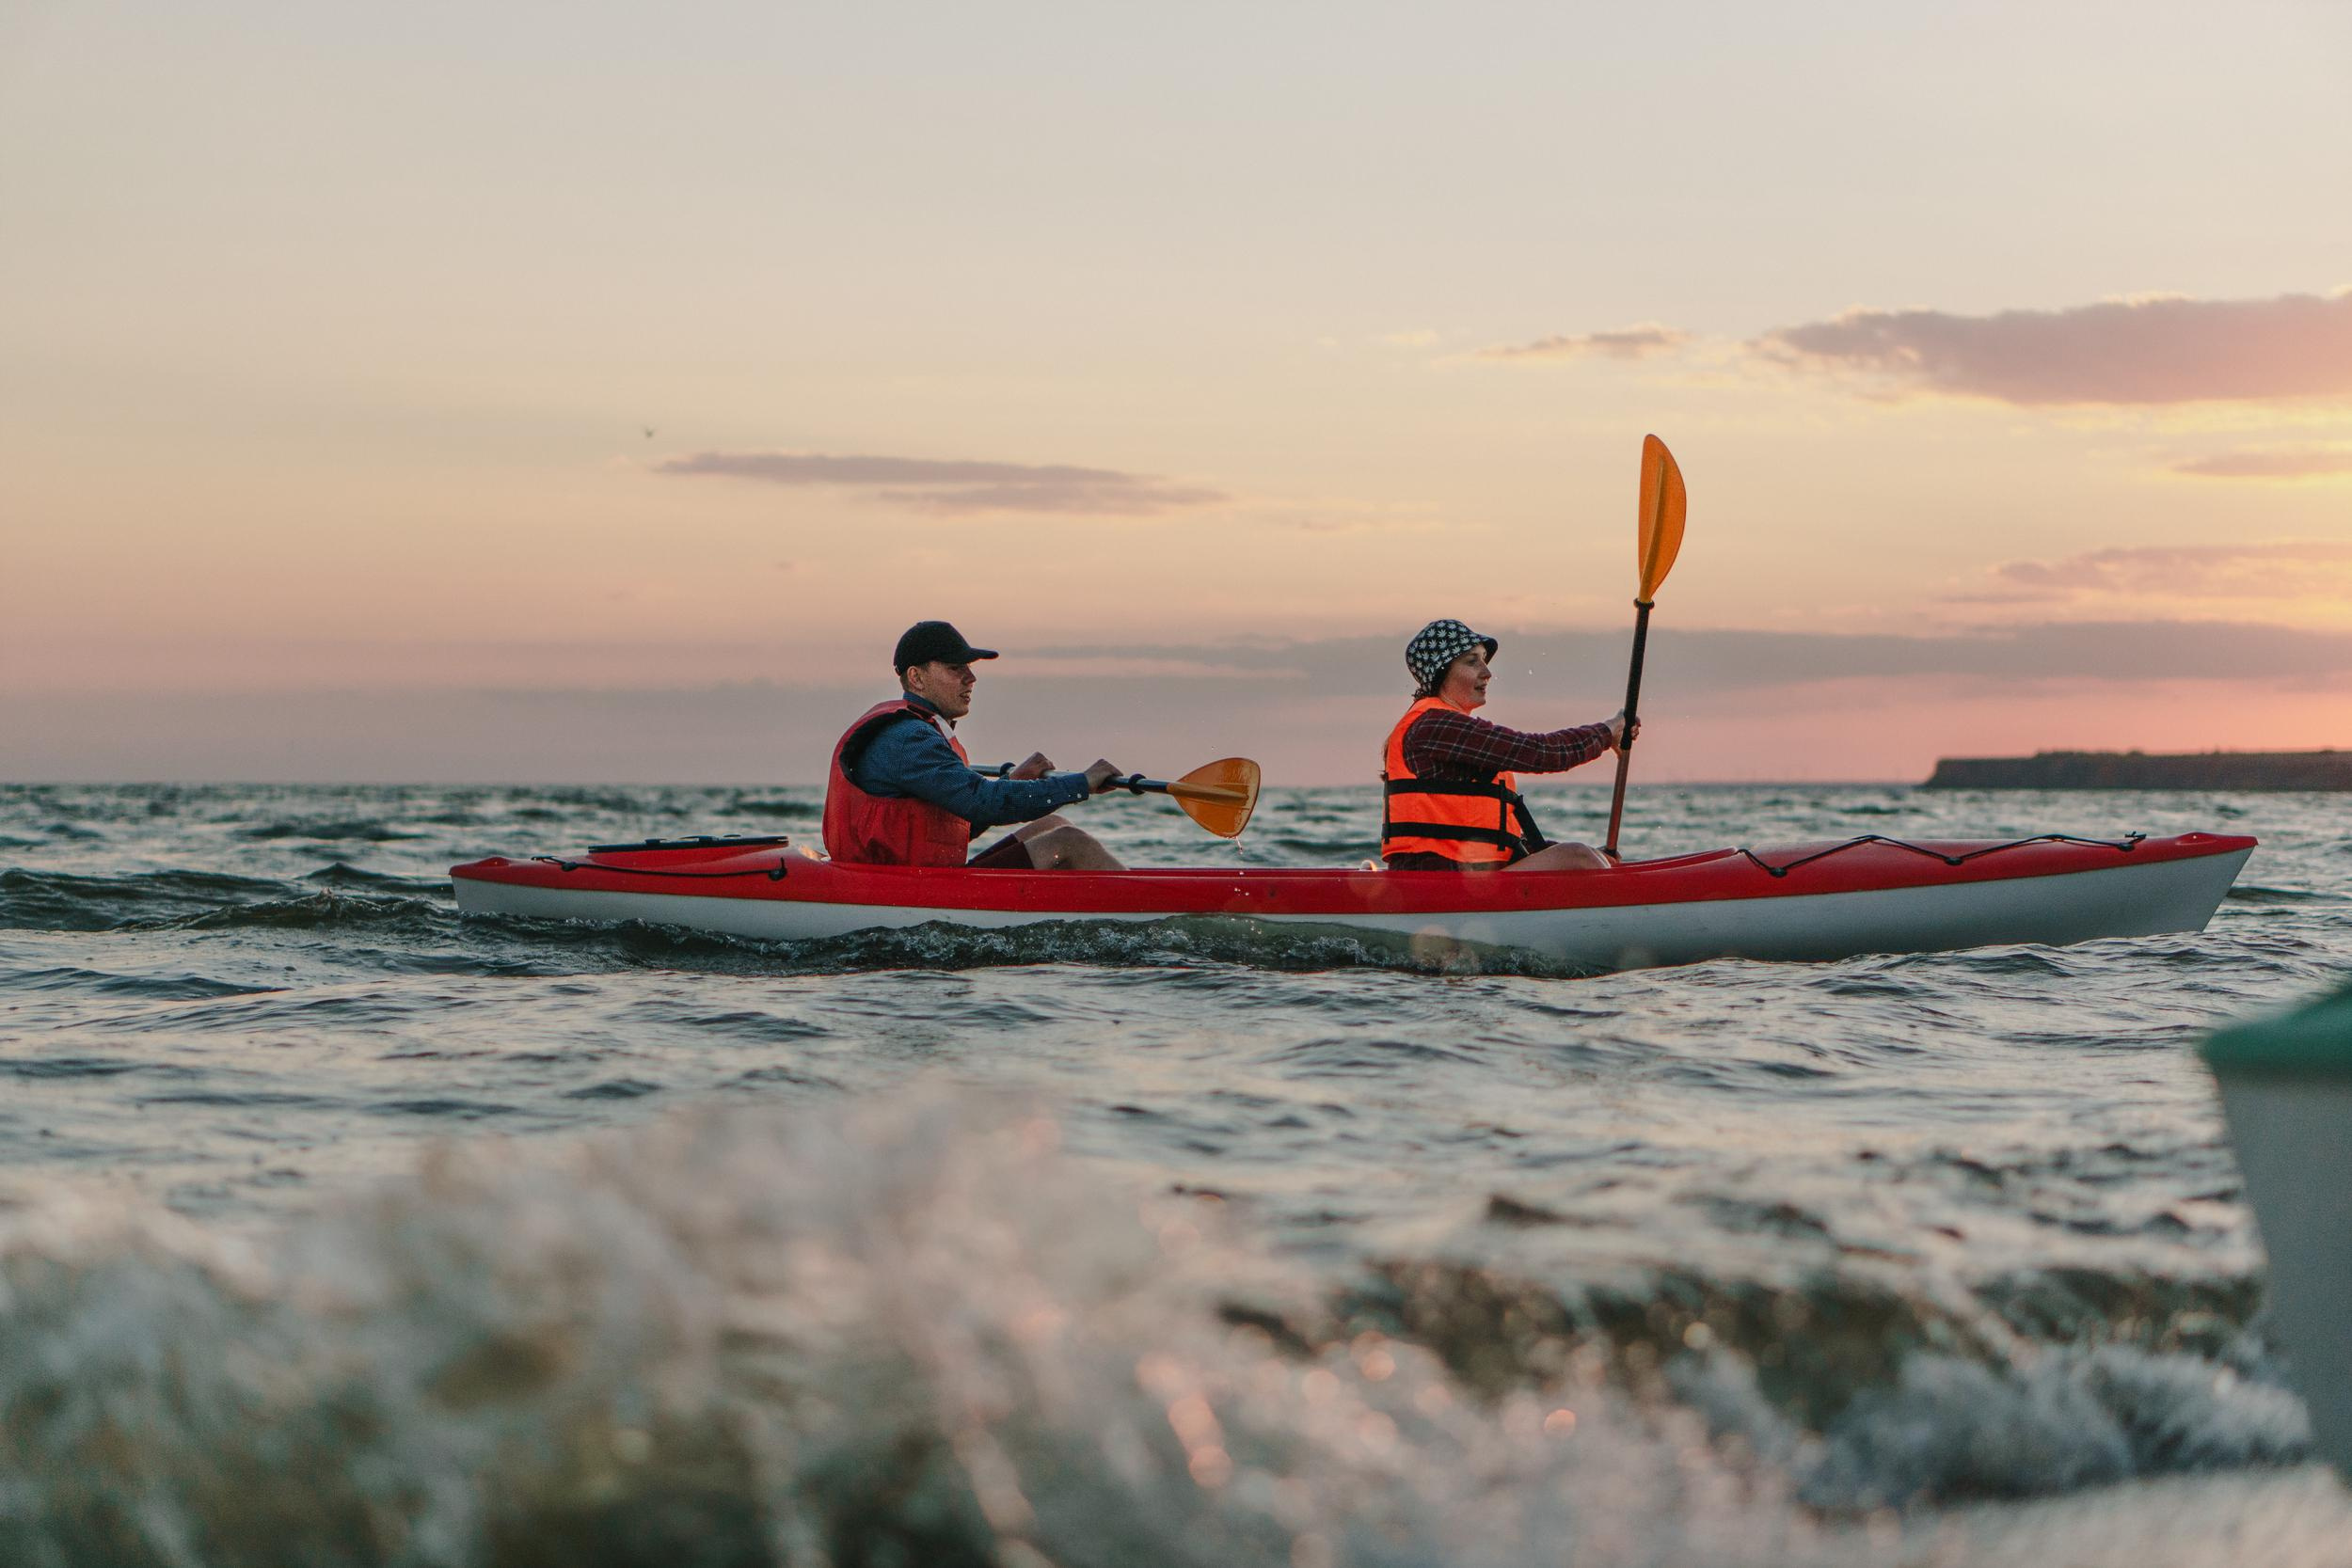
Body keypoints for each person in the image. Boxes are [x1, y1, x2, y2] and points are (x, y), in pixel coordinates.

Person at [822, 621, 1127, 870]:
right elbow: (983, 801)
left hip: (918, 878)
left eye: (968, 668)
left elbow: (950, 825)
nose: (971, 678)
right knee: (1070, 842)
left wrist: (1014, 782)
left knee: (1053, 824)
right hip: (897, 887)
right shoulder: (909, 739)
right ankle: (1147, 918)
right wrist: (1081, 783)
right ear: (916, 678)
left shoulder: (920, 731)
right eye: (956, 668)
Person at [1380, 619, 1632, 871]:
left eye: (1484, 660)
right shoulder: (1435, 726)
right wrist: (1606, 733)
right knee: (1578, 857)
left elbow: (1495, 838)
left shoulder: (1442, 726)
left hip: (1470, 875)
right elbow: (1540, 753)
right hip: (1438, 880)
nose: (1487, 672)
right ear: (1441, 672)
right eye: (1471, 661)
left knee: (1586, 856)